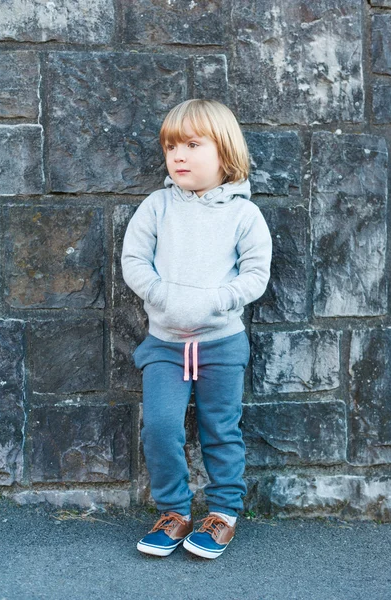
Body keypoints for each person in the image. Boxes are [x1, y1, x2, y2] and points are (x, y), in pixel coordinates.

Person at [121, 98, 272, 559]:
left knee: (220, 428)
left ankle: (223, 514)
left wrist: (212, 300)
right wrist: (166, 296)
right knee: (162, 427)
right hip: (165, 345)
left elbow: (255, 275)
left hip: (221, 344)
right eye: (171, 146)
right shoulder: (157, 206)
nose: (178, 155)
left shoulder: (244, 215)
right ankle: (174, 512)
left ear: (224, 153)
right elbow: (133, 262)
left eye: (191, 144)